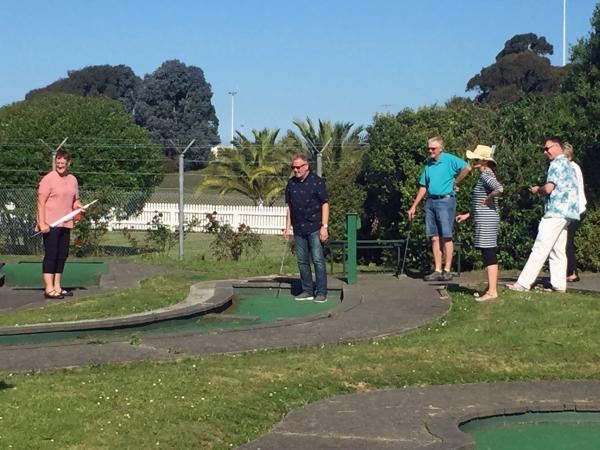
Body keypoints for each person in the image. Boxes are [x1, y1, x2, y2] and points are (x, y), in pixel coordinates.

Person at [506, 137, 579, 293]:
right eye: (544, 149)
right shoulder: (569, 165)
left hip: (556, 211)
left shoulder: (556, 164)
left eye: (548, 148)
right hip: (569, 212)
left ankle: (523, 284)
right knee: (557, 249)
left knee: (540, 247)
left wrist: (537, 190)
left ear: (558, 147)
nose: (545, 152)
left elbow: (548, 188)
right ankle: (559, 285)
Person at [408, 136, 471, 281]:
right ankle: (437, 269)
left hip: (446, 200)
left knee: (446, 236)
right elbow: (423, 186)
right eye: (429, 148)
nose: (430, 151)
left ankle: (447, 269)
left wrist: (456, 181)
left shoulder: (449, 159)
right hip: (431, 201)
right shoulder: (428, 164)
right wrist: (414, 206)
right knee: (434, 237)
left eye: (433, 148)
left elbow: (467, 167)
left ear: (440, 148)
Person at [456, 145, 504, 301]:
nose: (473, 161)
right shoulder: (485, 175)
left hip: (487, 219)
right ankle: (490, 288)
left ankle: (492, 291)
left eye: (476, 159)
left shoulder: (485, 175)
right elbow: (480, 202)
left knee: (488, 252)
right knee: (487, 251)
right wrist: (468, 215)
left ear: (484, 161)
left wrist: (490, 197)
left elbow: (499, 189)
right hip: (485, 217)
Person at [36, 149, 83, 299]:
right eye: (58, 162)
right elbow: (40, 202)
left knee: (62, 254)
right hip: (51, 223)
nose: (60, 165)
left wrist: (78, 206)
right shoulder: (48, 179)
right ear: (55, 162)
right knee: (52, 254)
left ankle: (57, 286)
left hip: (66, 223)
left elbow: (75, 200)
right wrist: (41, 223)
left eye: (63, 163)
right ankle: (49, 289)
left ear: (68, 163)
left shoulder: (73, 180)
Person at [284, 153, 329, 302]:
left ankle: (321, 292)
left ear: (306, 166)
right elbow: (289, 207)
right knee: (302, 261)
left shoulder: (317, 182)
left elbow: (325, 204)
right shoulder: (291, 184)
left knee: (317, 260)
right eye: (293, 167)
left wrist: (324, 226)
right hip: (298, 228)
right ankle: (307, 290)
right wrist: (287, 227)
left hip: (315, 226)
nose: (295, 170)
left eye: (298, 167)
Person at [564, 143, 587, 283]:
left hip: (576, 210)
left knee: (567, 241)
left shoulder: (572, 168)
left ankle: (573, 272)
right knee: (566, 241)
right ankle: (569, 271)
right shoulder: (574, 167)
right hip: (577, 208)